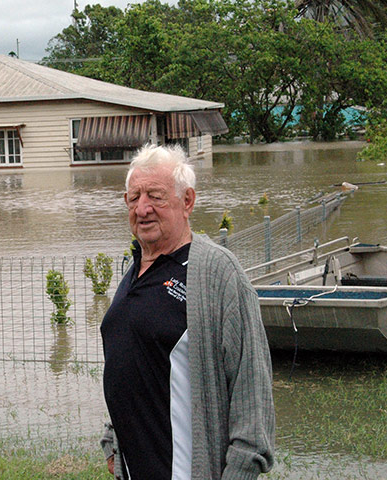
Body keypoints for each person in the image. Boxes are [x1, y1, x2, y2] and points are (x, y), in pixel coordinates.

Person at [100, 144, 274, 480]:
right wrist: (112, 440)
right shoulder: (135, 267)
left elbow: (252, 395)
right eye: (134, 197)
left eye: (156, 195)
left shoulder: (218, 273)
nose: (143, 208)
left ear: (188, 201)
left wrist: (240, 471)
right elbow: (133, 361)